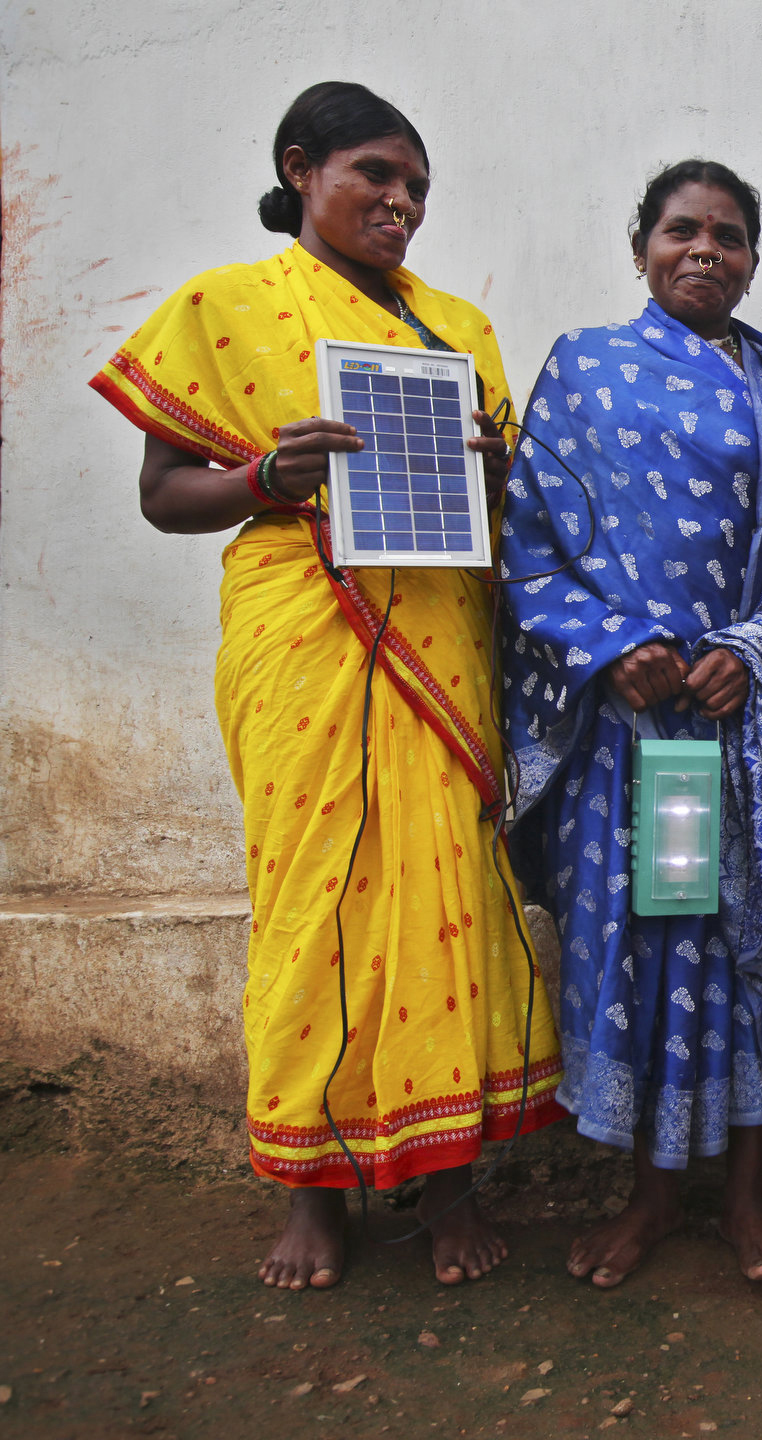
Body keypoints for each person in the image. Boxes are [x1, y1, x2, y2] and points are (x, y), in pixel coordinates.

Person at [91, 81, 564, 1291]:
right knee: (313, 897)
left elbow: (507, 507)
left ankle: (446, 1181)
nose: (400, 203)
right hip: (303, 634)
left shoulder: (457, 327)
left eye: (416, 187)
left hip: (442, 641)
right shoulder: (226, 307)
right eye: (374, 176)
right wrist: (264, 476)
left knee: (445, 891)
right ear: (301, 169)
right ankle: (311, 1188)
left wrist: (495, 468)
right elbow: (162, 495)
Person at [496, 161, 762, 1288]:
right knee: (639, 943)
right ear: (639, 242)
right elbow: (526, 541)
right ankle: (646, 1201)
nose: (705, 250)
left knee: (737, 949)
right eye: (682, 230)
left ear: (753, 257)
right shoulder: (582, 371)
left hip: (734, 723)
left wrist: (749, 652)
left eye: (730, 236)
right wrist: (607, 646)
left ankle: (745, 1201)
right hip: (624, 728)